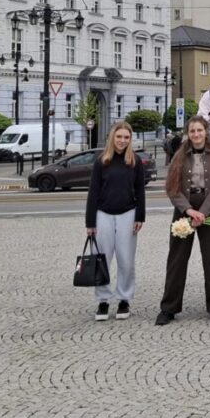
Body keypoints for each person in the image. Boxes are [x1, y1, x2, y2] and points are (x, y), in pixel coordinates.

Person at [155, 115, 210, 326]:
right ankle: (169, 307)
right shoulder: (179, 156)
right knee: (176, 261)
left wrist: (202, 212)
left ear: (206, 132)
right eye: (192, 131)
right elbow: (172, 187)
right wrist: (188, 210)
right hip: (184, 211)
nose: (196, 134)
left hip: (209, 212)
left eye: (200, 130)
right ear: (188, 133)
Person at [85, 121, 146, 321]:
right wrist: (90, 222)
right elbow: (93, 192)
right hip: (103, 214)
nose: (122, 140)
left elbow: (140, 191)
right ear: (113, 137)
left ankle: (124, 299)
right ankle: (103, 300)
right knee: (101, 258)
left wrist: (140, 216)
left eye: (126, 137)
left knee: (126, 260)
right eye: (119, 136)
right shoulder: (102, 161)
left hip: (128, 213)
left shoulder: (135, 161)